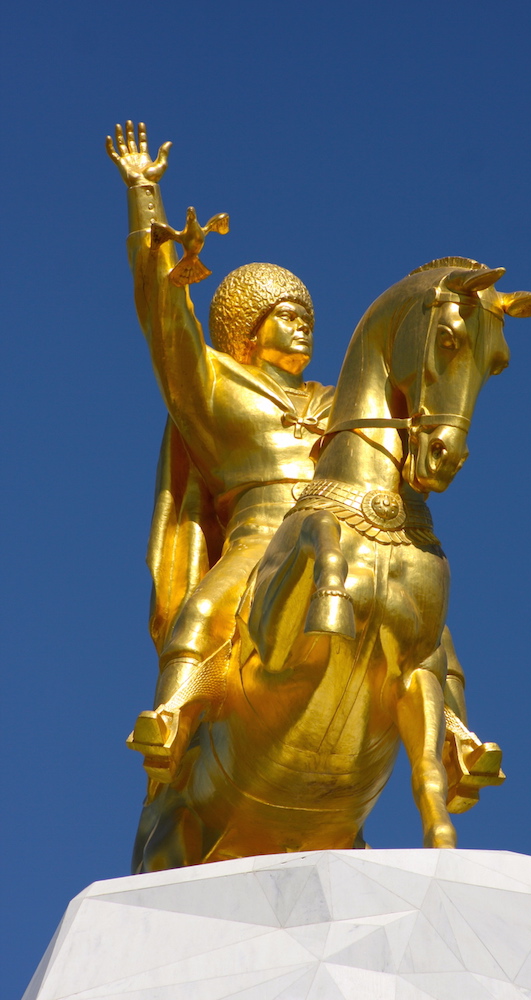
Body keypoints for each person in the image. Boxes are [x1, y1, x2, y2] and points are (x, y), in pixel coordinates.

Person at [107, 121, 334, 781]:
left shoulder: (338, 397)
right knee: (206, 609)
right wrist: (144, 194)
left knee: (416, 604)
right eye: (286, 316)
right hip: (258, 538)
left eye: (307, 318)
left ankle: (452, 732)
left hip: (339, 525)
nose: (302, 327)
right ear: (247, 326)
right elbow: (160, 311)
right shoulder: (212, 384)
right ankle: (173, 714)